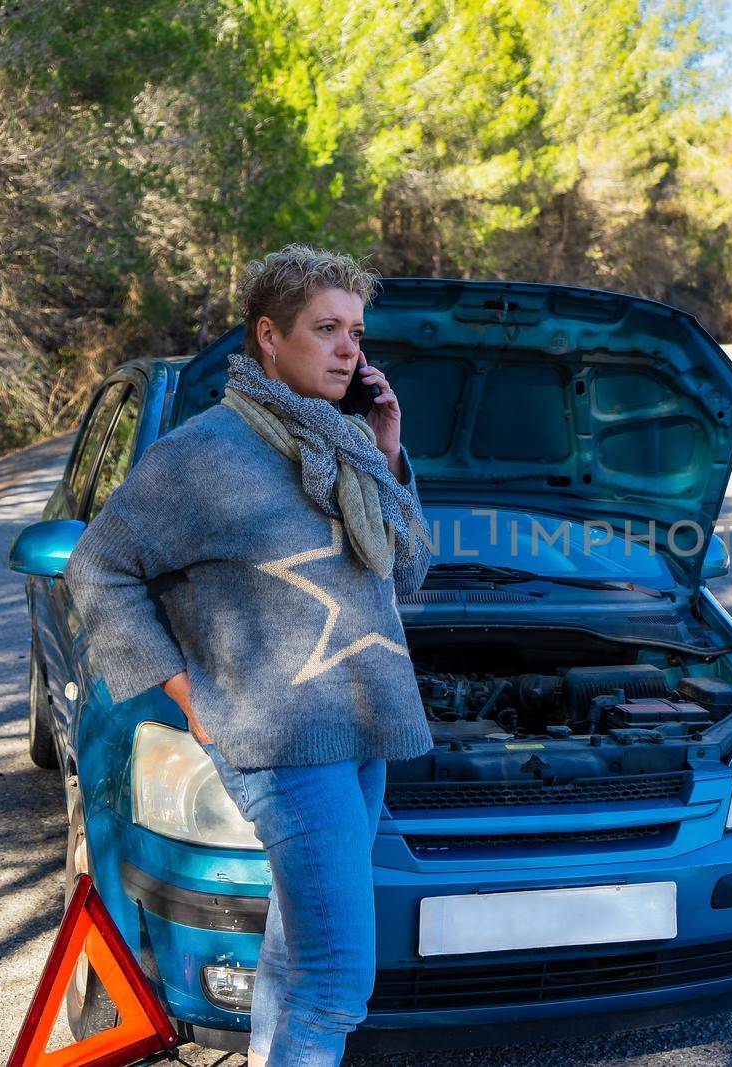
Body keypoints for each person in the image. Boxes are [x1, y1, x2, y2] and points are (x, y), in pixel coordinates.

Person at [65, 244, 433, 1066]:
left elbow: (408, 570)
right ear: (269, 335)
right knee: (337, 981)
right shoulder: (204, 454)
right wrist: (185, 692)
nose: (350, 351)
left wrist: (388, 446)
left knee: (298, 954)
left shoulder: (344, 443)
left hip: (360, 729)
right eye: (326, 329)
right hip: (281, 746)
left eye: (357, 333)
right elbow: (98, 565)